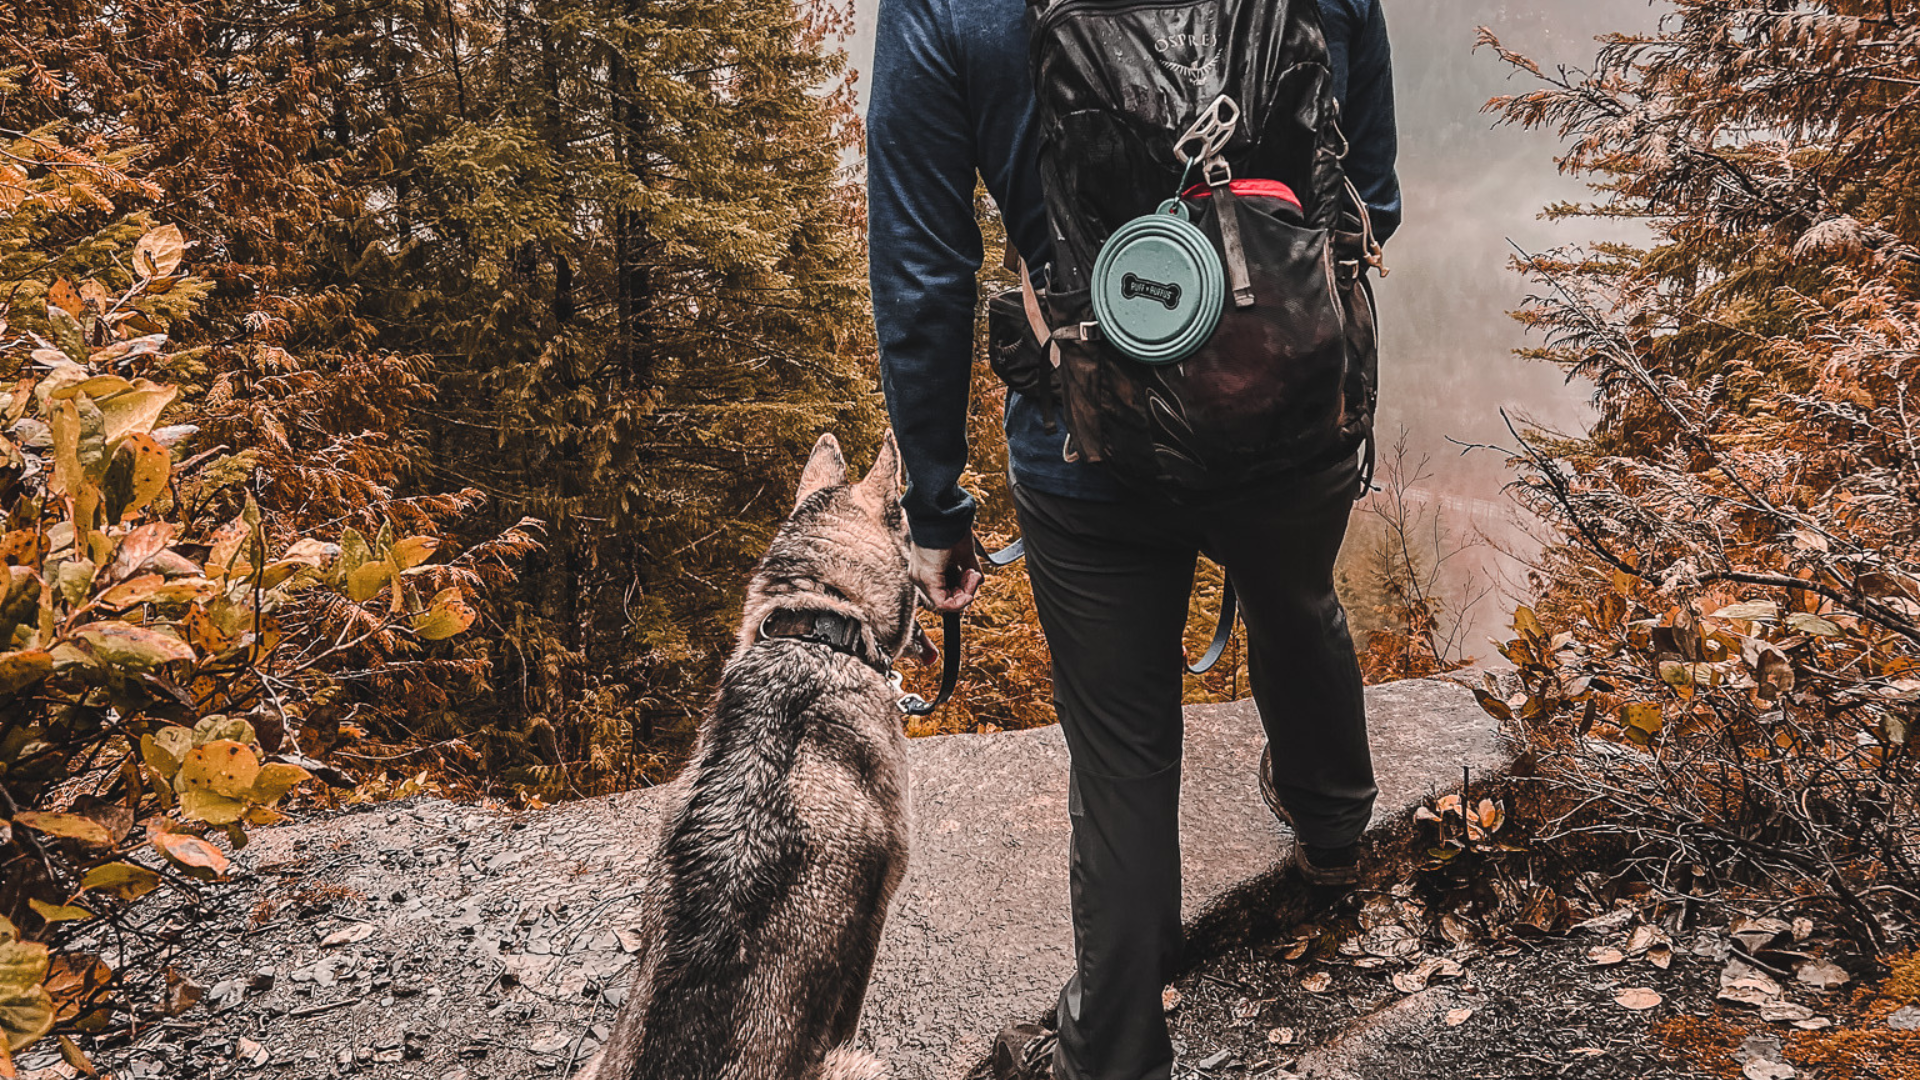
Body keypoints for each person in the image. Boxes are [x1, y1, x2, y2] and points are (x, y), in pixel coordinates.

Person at [866, 0, 1400, 1077]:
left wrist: (933, 505)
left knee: (1121, 752)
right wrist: (1265, 320)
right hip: (1292, 402)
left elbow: (921, 266)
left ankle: (1113, 1046)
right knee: (1299, 601)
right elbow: (1367, 188)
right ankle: (1334, 833)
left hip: (1083, 438)